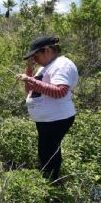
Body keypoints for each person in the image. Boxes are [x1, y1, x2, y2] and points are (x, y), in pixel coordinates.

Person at [16, 36, 78, 181]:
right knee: (46, 150)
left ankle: (52, 183)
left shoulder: (62, 64)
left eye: (36, 56)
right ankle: (48, 178)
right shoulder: (45, 67)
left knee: (49, 151)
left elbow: (59, 91)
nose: (35, 60)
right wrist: (30, 71)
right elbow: (29, 90)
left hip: (57, 118)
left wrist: (29, 79)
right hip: (47, 119)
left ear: (48, 50)